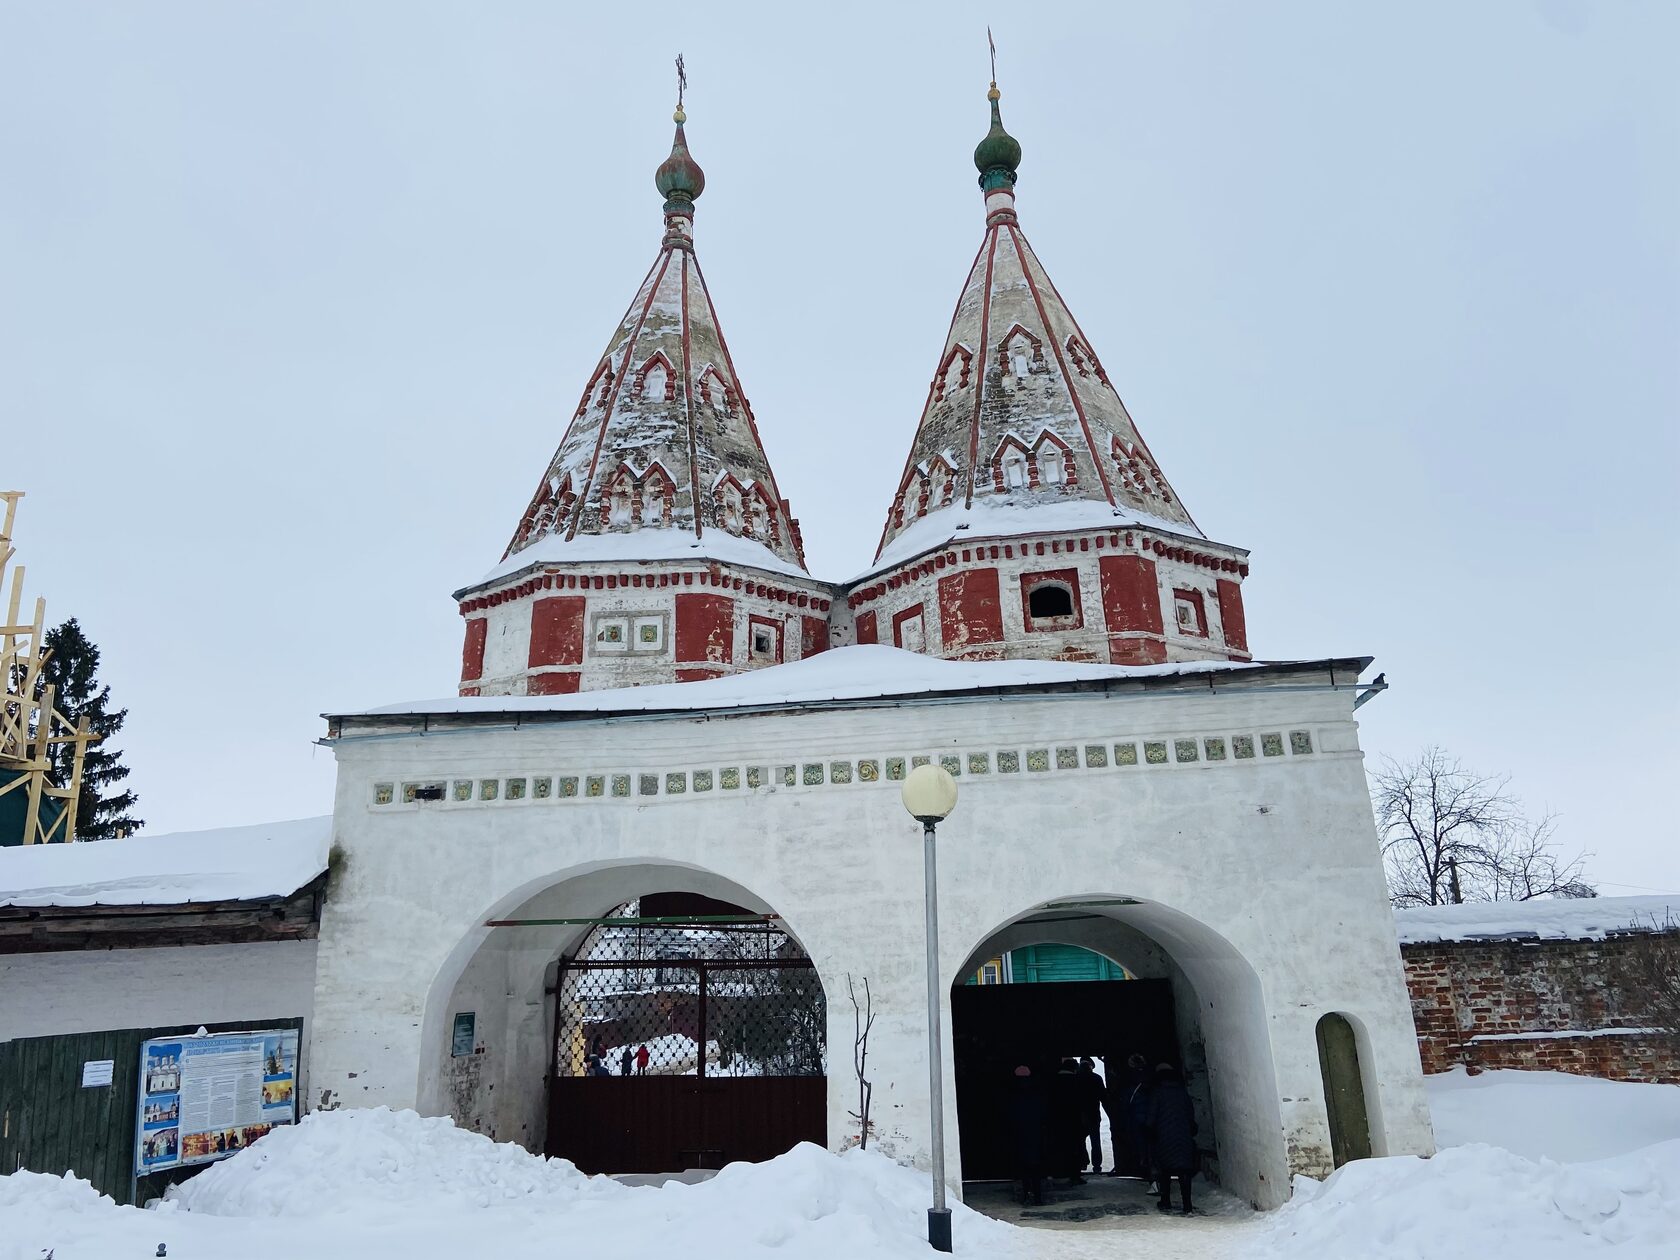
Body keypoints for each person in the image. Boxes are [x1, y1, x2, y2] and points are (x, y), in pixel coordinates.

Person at [1147, 1063, 1199, 1215]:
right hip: (1183, 1135)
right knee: (1184, 1171)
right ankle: (1187, 1204)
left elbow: (1151, 1117)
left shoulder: (1157, 1093)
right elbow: (1190, 1114)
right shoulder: (1183, 1093)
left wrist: (1149, 1131)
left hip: (1163, 1136)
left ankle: (1166, 1201)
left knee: (1165, 1171)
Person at [1005, 1065, 1047, 1206]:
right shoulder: (1037, 1093)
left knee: (1022, 1168)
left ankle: (1024, 1194)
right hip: (1035, 1134)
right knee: (1036, 1168)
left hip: (1019, 1135)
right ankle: (1037, 1196)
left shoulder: (1012, 1094)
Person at [1051, 1058, 1087, 1185]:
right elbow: (1082, 1102)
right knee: (1075, 1148)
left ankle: (1058, 1171)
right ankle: (1074, 1174)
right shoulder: (1077, 1081)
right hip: (1074, 1120)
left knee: (1058, 1146)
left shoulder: (1054, 1081)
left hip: (1057, 1120)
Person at [1076, 1057, 1105, 1173]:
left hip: (1079, 1114)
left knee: (1079, 1140)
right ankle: (1097, 1166)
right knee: (1095, 1141)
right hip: (1093, 1114)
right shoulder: (1097, 1078)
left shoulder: (1076, 1079)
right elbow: (1104, 1096)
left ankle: (1083, 1162)